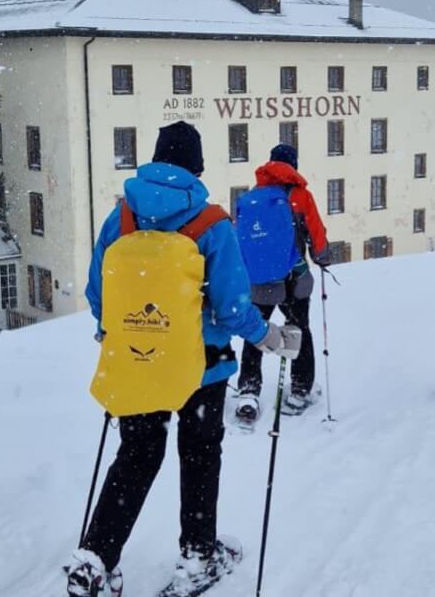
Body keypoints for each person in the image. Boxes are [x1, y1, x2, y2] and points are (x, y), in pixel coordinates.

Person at [65, 122, 301, 597]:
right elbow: (235, 307)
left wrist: (117, 335)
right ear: (196, 167)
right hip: (202, 367)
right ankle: (197, 556)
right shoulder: (211, 223)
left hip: (137, 362)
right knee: (199, 456)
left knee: (135, 455)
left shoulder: (123, 218)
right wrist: (270, 338)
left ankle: (94, 561)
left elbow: (97, 291)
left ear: (155, 160)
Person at [234, 143, 331, 424]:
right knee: (299, 329)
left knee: (256, 333)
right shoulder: (300, 196)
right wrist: (322, 257)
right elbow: (317, 234)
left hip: (258, 282)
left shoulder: (251, 198)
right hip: (293, 279)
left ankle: (249, 391)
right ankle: (299, 390)